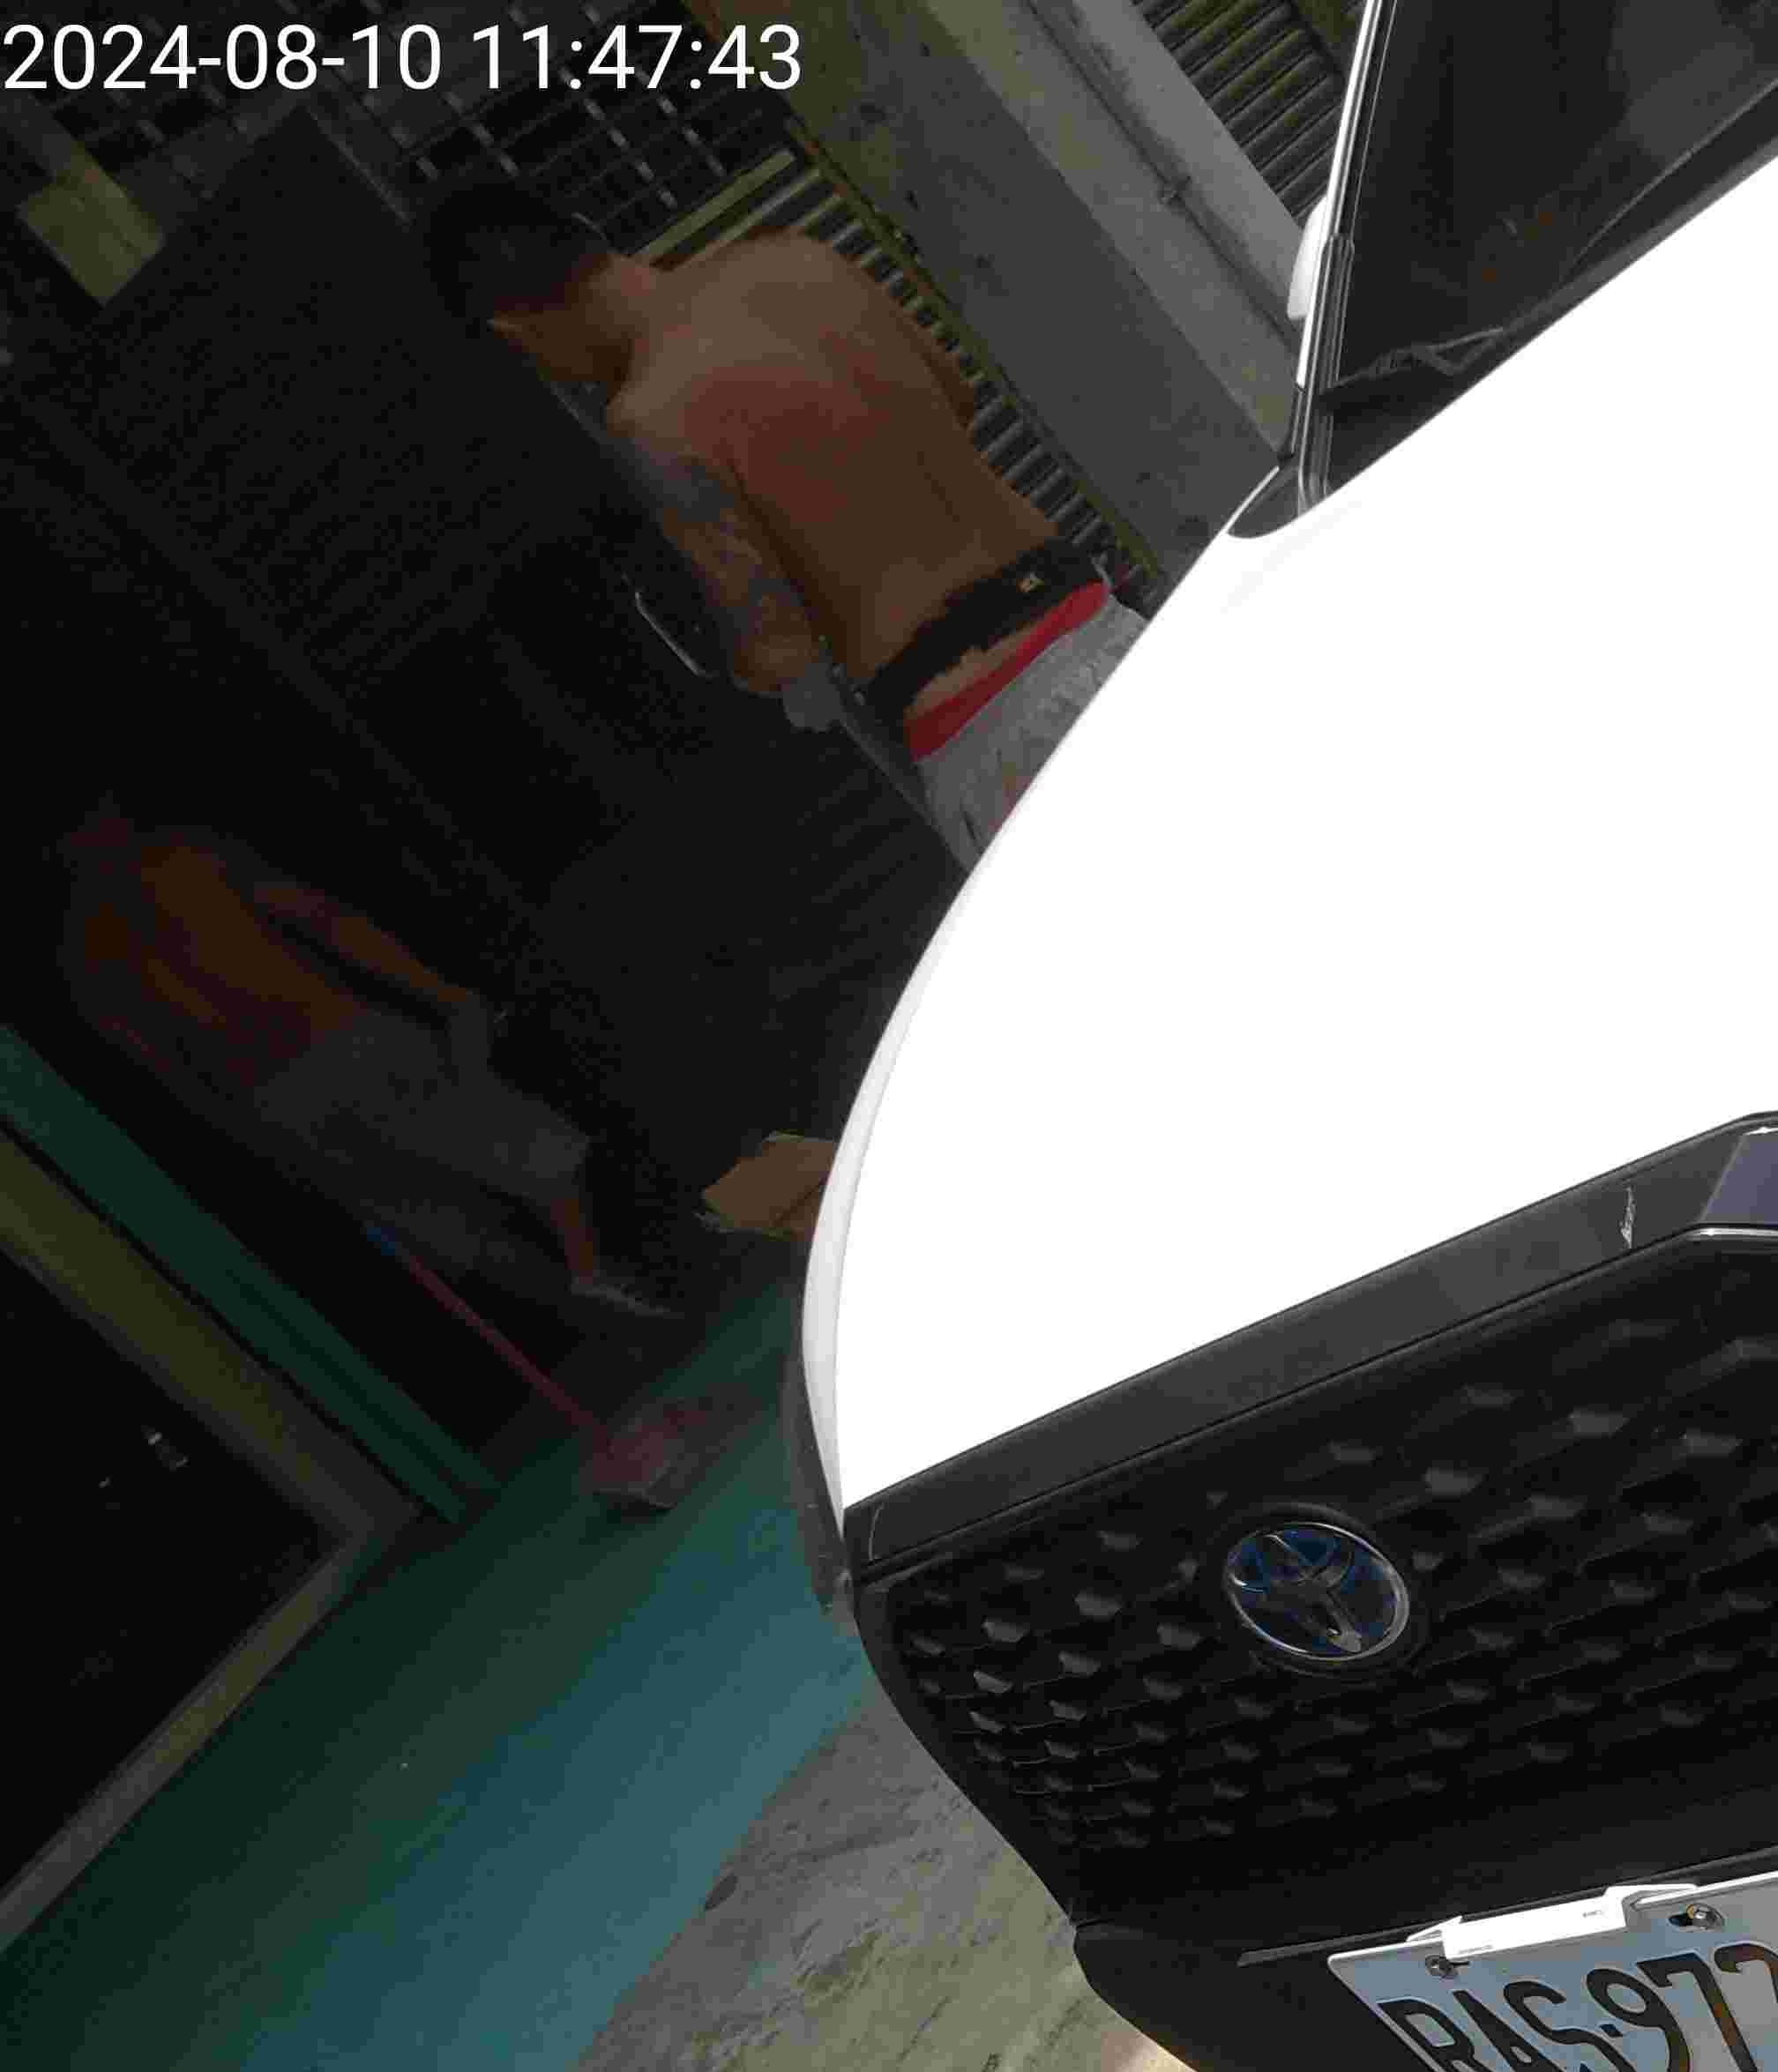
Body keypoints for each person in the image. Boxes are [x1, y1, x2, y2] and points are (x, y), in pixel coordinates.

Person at [419, 183, 1143, 863]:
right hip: (1103, 628)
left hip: (996, 734)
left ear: (515, 332)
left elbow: (783, 654)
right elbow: (952, 394)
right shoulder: (795, 258)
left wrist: (735, 655)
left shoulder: (649, 421)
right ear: (586, 232)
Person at [52, 796, 678, 1319]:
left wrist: (266, 1146)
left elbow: (176, 1079)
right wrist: (441, 993)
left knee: (448, 1219)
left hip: (277, 1102)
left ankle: (606, 1316)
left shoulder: (88, 959)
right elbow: (321, 919)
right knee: (525, 1153)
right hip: (340, 1045)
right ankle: (606, 1289)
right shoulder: (176, 859)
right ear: (95, 821)